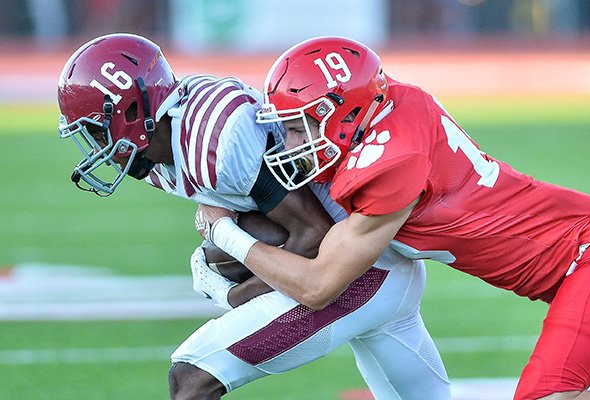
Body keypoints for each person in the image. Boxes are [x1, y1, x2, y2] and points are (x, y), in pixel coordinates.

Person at [197, 36, 590, 400]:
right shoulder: (391, 104)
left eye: (299, 128)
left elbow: (318, 286)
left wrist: (225, 233)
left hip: (588, 256)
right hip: (575, 261)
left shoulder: (391, 163)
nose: (291, 144)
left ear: (339, 115)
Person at [56, 33, 450, 399]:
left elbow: (313, 235)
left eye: (97, 130)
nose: (95, 147)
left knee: (191, 377)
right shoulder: (164, 146)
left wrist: (233, 284)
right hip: (380, 266)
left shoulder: (215, 141)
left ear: (130, 113)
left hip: (358, 273)